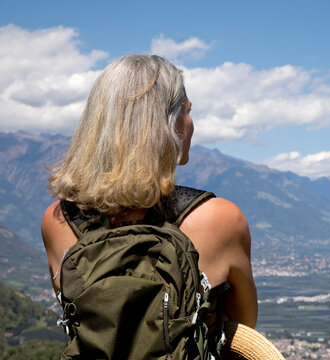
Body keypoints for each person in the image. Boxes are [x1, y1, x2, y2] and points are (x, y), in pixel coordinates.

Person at [41, 54, 258, 332]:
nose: (191, 123)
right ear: (169, 124)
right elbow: (242, 330)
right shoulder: (220, 219)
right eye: (187, 111)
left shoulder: (58, 220)